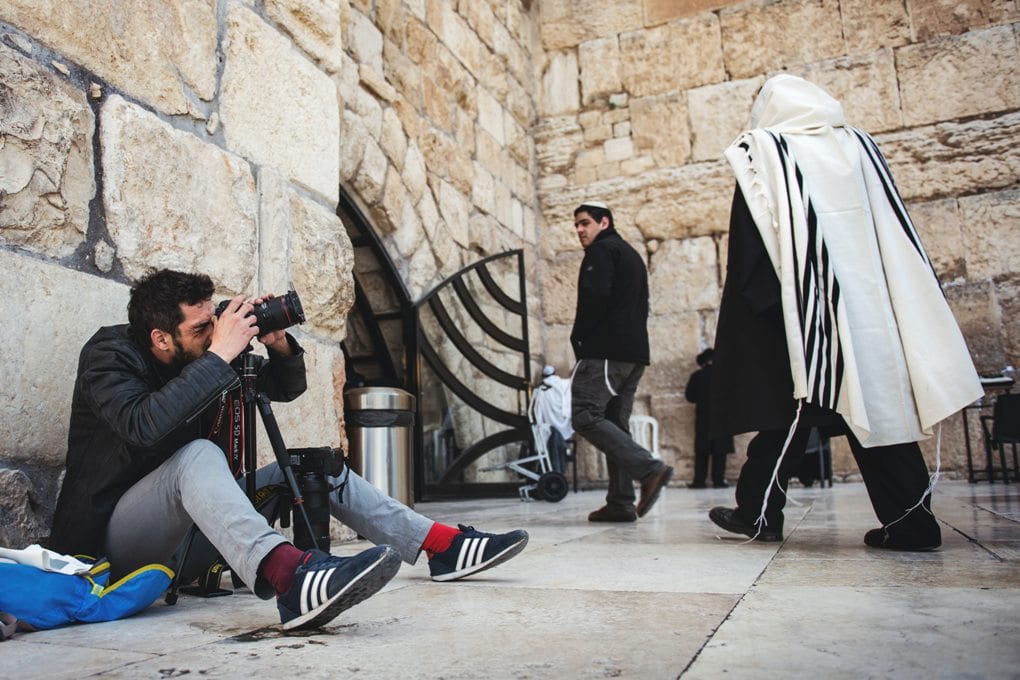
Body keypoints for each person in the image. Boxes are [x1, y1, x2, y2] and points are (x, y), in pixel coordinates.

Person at [48, 269, 529, 631]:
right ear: (159, 337)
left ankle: (441, 547)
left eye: (212, 321)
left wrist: (278, 345)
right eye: (200, 328)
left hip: (189, 541)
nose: (212, 334)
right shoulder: (109, 355)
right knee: (196, 456)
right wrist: (221, 353)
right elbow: (143, 425)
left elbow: (283, 388)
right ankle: (292, 581)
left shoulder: (200, 354)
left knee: (307, 466)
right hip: (111, 546)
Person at [707, 75, 982, 550]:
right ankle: (912, 521)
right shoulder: (858, 147)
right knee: (877, 414)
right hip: (867, 312)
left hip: (796, 314)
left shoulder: (763, 151)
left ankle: (757, 514)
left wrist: (767, 318)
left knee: (787, 420)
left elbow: (752, 249)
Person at [569, 201, 673, 522]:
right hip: (632, 355)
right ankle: (620, 502)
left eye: (585, 223)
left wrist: (580, 340)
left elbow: (594, 300)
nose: (580, 230)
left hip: (606, 352)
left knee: (585, 415)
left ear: (605, 222)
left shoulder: (602, 251)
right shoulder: (629, 253)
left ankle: (649, 469)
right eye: (577, 226)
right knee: (614, 424)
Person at [684, 349, 733, 488]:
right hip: (723, 418)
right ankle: (718, 480)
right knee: (720, 450)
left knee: (702, 451)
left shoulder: (697, 376)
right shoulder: (725, 376)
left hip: (704, 418)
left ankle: (699, 481)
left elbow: (690, 397)